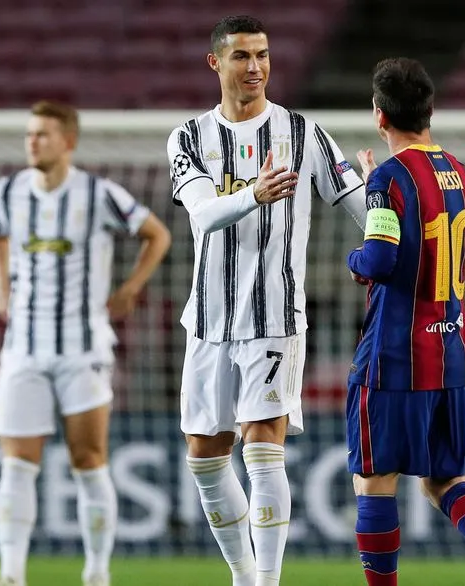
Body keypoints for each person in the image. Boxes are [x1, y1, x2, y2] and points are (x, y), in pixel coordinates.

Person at [166, 14, 367, 586]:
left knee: (262, 445)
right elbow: (202, 214)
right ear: (216, 62)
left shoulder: (304, 134)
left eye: (262, 55)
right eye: (241, 56)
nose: (255, 67)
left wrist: (387, 231)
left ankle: (267, 582)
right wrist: (254, 194)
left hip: (274, 316)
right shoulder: (188, 137)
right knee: (205, 457)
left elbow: (358, 204)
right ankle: (243, 575)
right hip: (208, 320)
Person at [345, 57, 465, 586]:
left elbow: (379, 259)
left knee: (374, 481)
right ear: (430, 111)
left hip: (394, 356)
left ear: (380, 116)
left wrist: (353, 259)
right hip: (451, 353)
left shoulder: (389, 178)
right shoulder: (457, 172)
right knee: (446, 480)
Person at [0, 101, 171, 586]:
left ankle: (96, 573)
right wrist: (0, 286)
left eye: (43, 134)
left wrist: (130, 288)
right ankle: (11, 575)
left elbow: (157, 234)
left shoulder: (99, 193)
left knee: (88, 460)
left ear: (68, 142)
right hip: (22, 347)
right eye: (29, 133)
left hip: (82, 348)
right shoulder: (6, 192)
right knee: (16, 463)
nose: (32, 142)